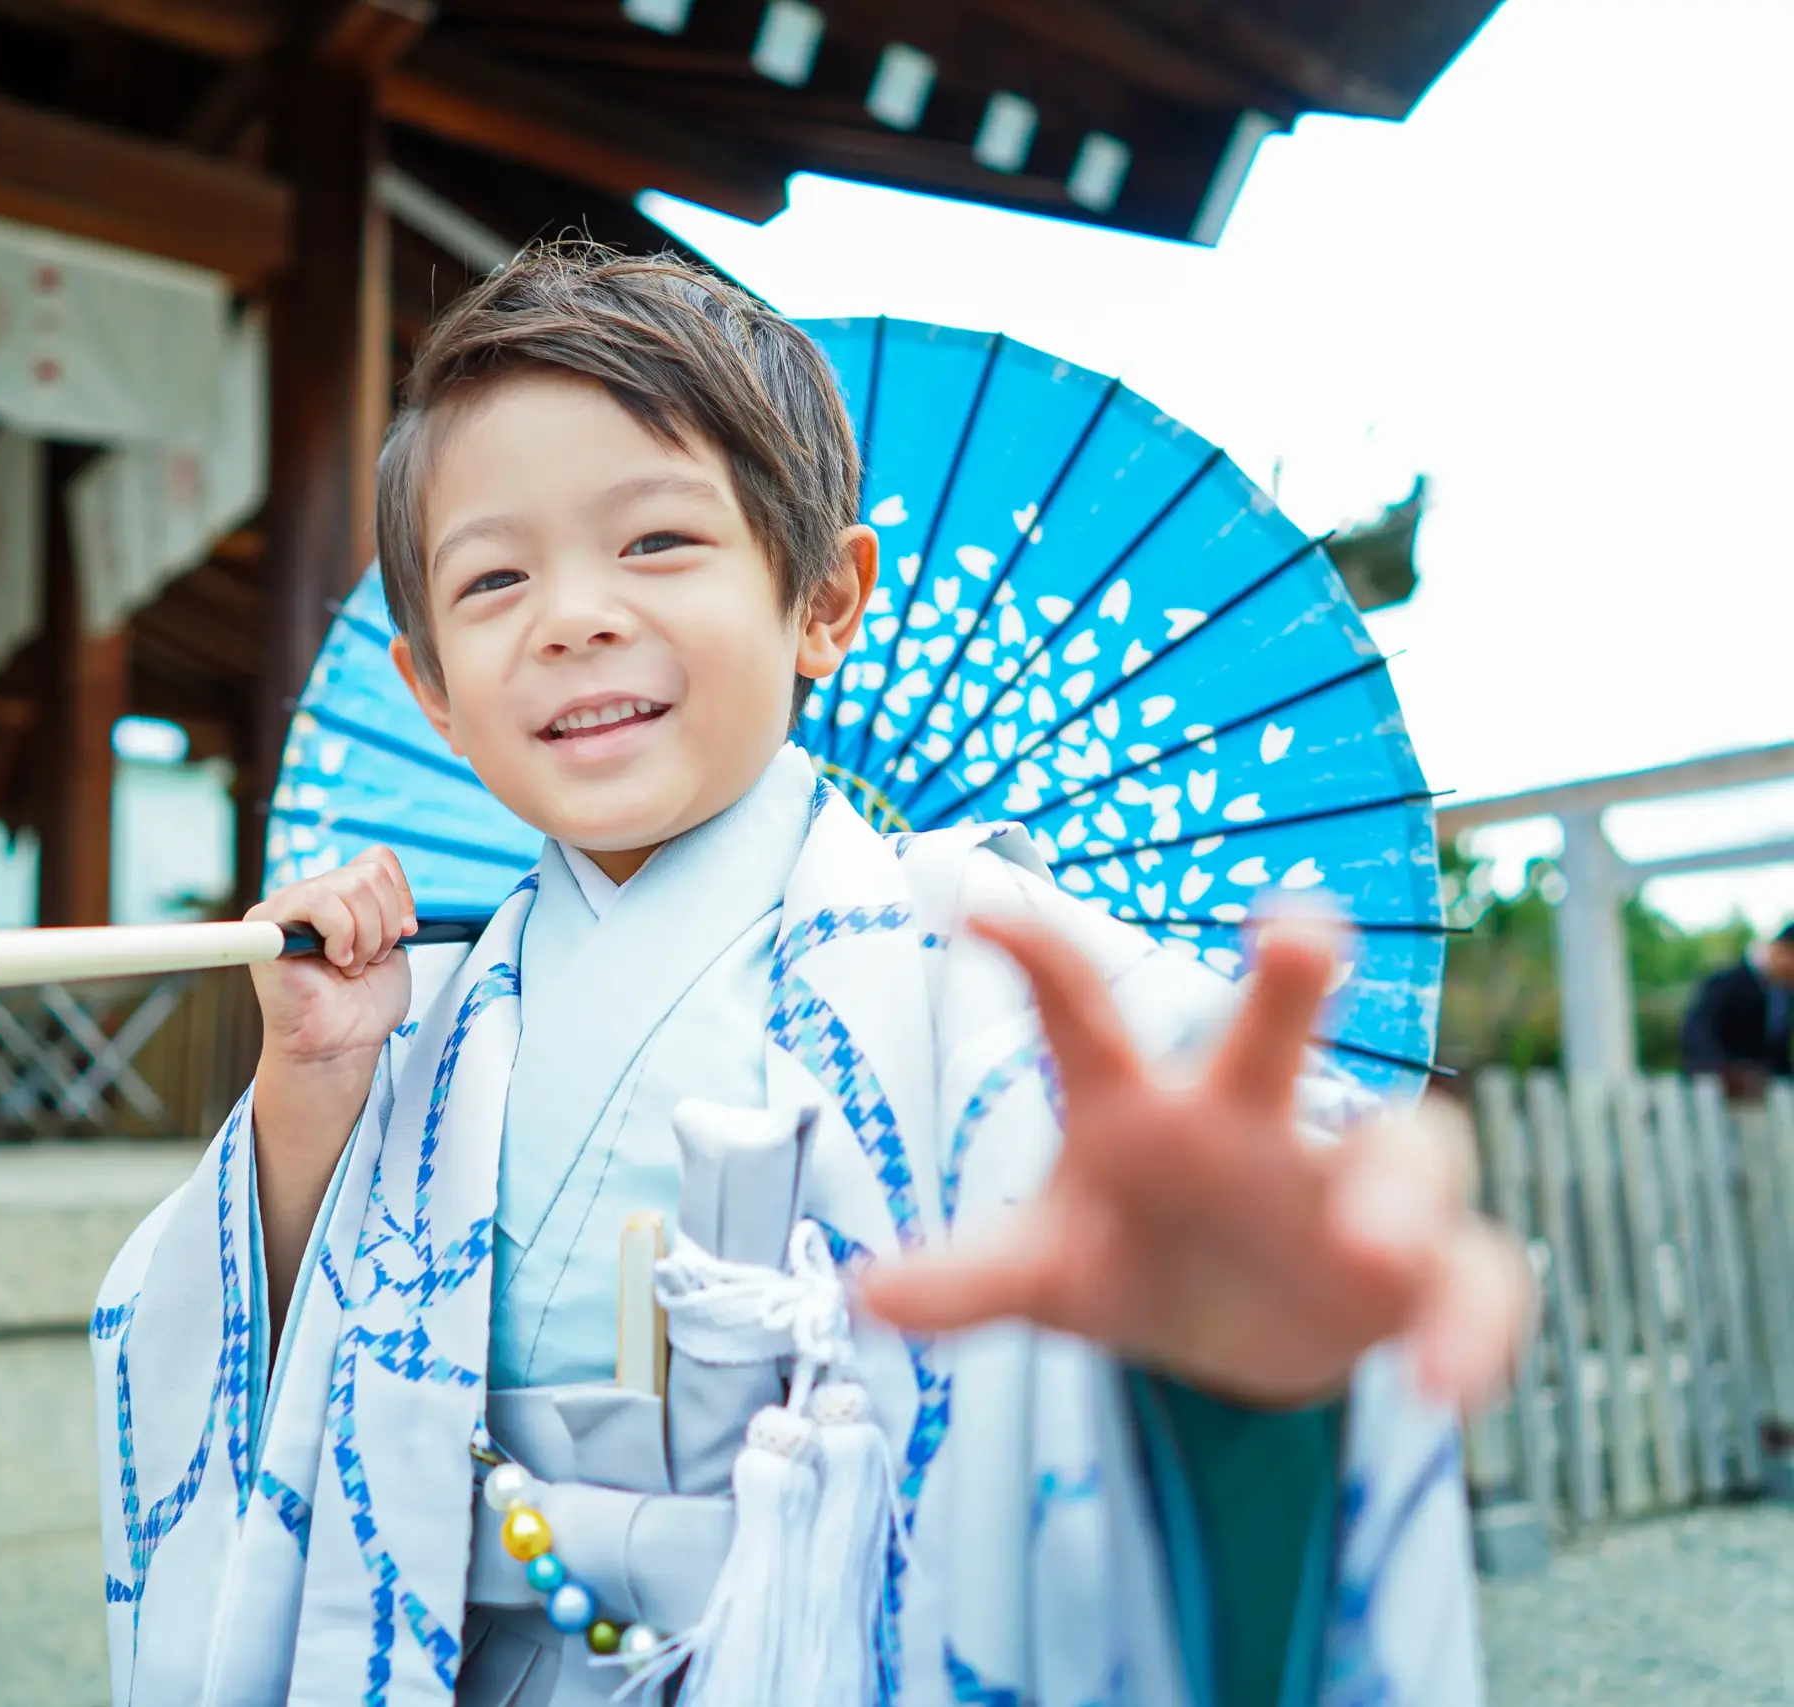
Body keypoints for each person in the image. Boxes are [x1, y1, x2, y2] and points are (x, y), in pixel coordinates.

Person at [92, 247, 1529, 1707]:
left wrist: (1245, 1316)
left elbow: (1228, 1154)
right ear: (434, 690)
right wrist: (313, 1093)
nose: (572, 613)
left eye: (655, 541)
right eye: (495, 574)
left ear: (827, 600)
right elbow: (211, 1366)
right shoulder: (428, 1018)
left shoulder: (985, 960)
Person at [1682, 922, 1794, 1099]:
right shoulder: (1725, 982)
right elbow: (1697, 1035)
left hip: (1765, 1101)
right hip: (1715, 1100)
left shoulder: (1783, 993)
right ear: (1782, 950)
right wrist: (1725, 1071)